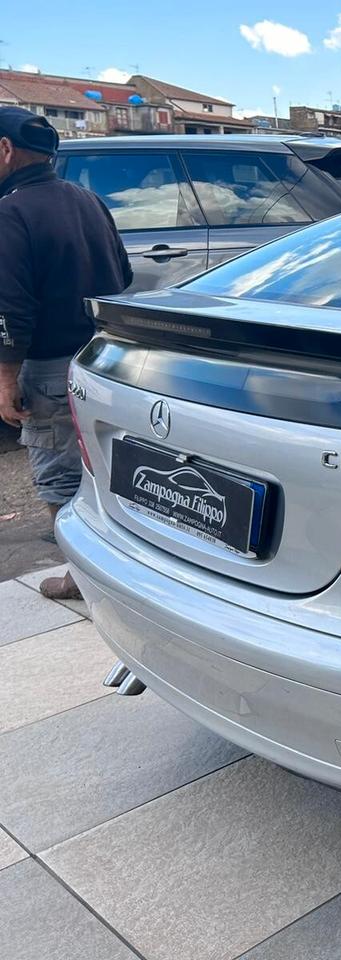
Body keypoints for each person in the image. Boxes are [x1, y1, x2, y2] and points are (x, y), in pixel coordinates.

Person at [0, 107, 131, 600]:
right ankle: (113, 567)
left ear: (5, 149)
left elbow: (10, 309)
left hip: (50, 368)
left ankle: (79, 576)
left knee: (58, 479)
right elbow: (123, 277)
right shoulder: (87, 199)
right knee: (101, 472)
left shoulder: (11, 212)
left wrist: (5, 379)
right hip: (100, 358)